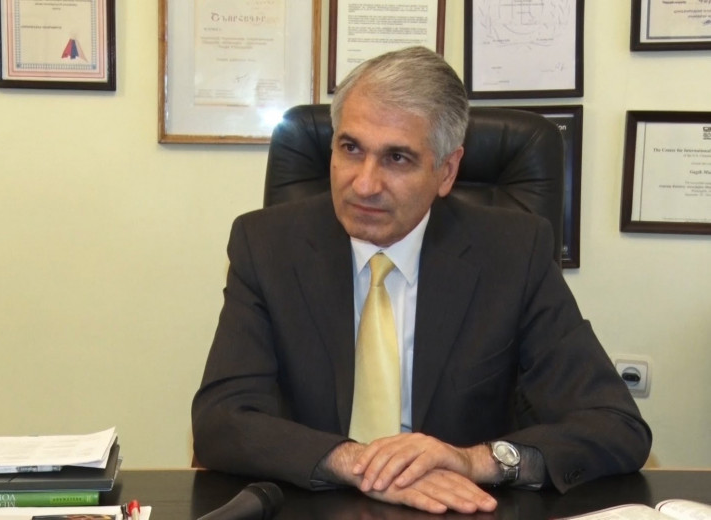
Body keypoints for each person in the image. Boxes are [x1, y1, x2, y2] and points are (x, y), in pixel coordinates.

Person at [192, 46, 651, 515]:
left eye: (397, 158)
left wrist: (476, 461)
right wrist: (354, 463)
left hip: (457, 508)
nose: (364, 184)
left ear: (446, 171)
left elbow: (615, 425)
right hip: (313, 505)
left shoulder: (513, 253)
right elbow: (220, 420)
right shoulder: (266, 246)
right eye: (350, 149)